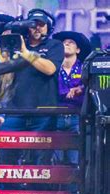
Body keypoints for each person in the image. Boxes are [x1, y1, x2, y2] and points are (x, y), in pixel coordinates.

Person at [0, 9, 64, 190]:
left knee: (41, 159)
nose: (37, 28)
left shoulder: (54, 45)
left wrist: (26, 53)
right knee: (7, 155)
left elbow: (50, 69)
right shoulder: (16, 44)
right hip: (16, 109)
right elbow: (5, 74)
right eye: (33, 24)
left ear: (48, 27)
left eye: (41, 24)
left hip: (44, 110)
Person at [52, 31, 90, 169]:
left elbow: (90, 88)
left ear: (78, 50)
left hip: (77, 117)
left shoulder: (85, 68)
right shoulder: (52, 67)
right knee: (56, 159)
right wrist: (70, 91)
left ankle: (74, 191)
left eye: (71, 42)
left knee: (75, 159)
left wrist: (81, 88)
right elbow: (51, 90)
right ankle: (57, 190)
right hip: (56, 116)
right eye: (64, 42)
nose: (66, 43)